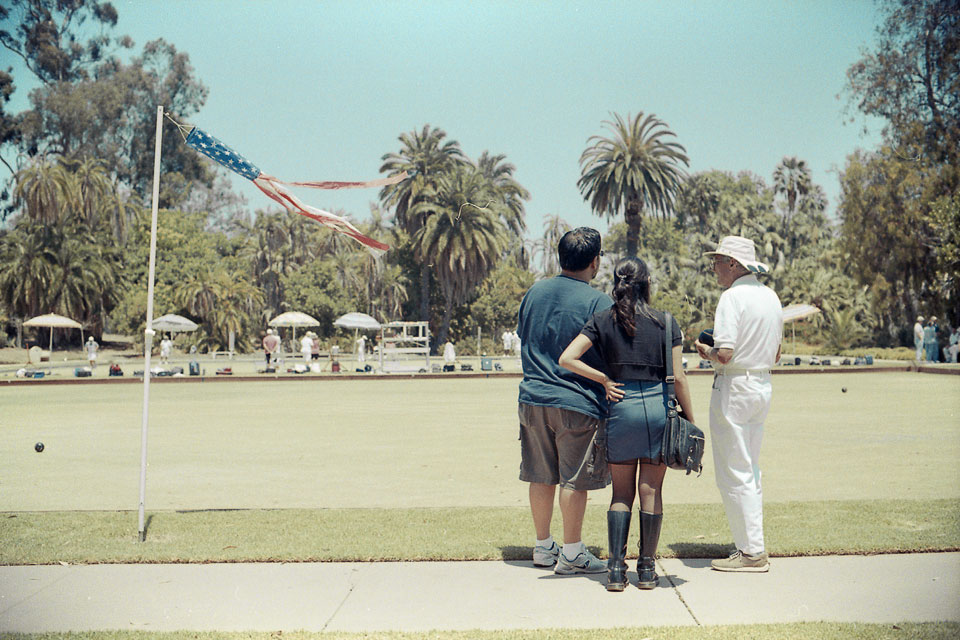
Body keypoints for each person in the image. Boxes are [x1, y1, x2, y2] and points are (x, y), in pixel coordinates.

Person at [559, 257, 695, 591]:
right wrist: (690, 419)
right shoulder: (666, 321)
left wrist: (604, 379)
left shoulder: (602, 319)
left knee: (621, 493)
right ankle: (646, 571)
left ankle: (616, 572)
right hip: (658, 410)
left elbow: (567, 358)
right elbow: (678, 377)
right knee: (651, 490)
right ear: (647, 284)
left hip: (621, 408)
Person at [517, 227, 612, 575]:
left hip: (533, 398)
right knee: (574, 480)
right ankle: (572, 552)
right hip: (577, 400)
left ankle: (543, 547)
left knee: (540, 475)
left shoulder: (534, 292)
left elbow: (526, 336)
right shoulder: (599, 301)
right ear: (595, 260)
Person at [694, 235, 782, 573]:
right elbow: (776, 352)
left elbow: (726, 353)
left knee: (734, 471)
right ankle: (751, 545)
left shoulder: (731, 298)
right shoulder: (771, 297)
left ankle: (752, 552)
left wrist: (706, 352)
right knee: (750, 468)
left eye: (717, 260)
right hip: (762, 384)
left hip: (735, 386)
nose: (714, 267)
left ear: (733, 263)